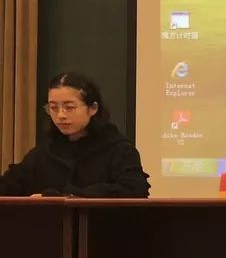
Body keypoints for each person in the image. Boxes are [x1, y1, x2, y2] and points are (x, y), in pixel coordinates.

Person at [0, 72, 150, 197]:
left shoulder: (119, 150)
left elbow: (135, 190)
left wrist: (70, 195)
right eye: (53, 108)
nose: (60, 115)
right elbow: (10, 184)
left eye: (69, 107)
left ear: (93, 108)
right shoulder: (45, 152)